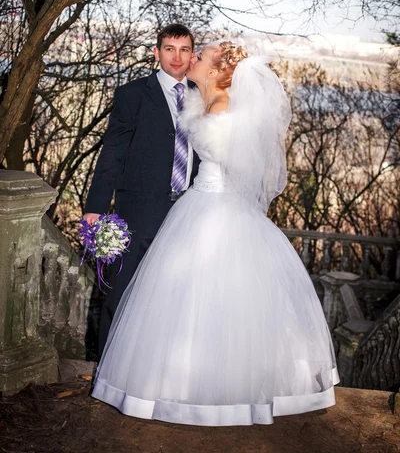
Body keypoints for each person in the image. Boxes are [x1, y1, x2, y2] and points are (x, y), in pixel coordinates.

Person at [91, 41, 339, 426]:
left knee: (216, 301)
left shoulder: (224, 108)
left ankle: (218, 393)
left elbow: (239, 163)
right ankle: (183, 383)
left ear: (215, 69)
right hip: (195, 205)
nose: (191, 59)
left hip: (216, 209)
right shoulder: (203, 99)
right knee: (183, 303)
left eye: (199, 55)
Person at [83, 23, 200, 355]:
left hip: (189, 212)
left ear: (192, 54)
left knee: (174, 296)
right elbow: (113, 154)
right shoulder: (132, 94)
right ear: (156, 52)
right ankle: (108, 368)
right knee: (121, 293)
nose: (177, 57)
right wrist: (95, 206)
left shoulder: (202, 95)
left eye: (184, 49)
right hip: (138, 212)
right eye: (169, 49)